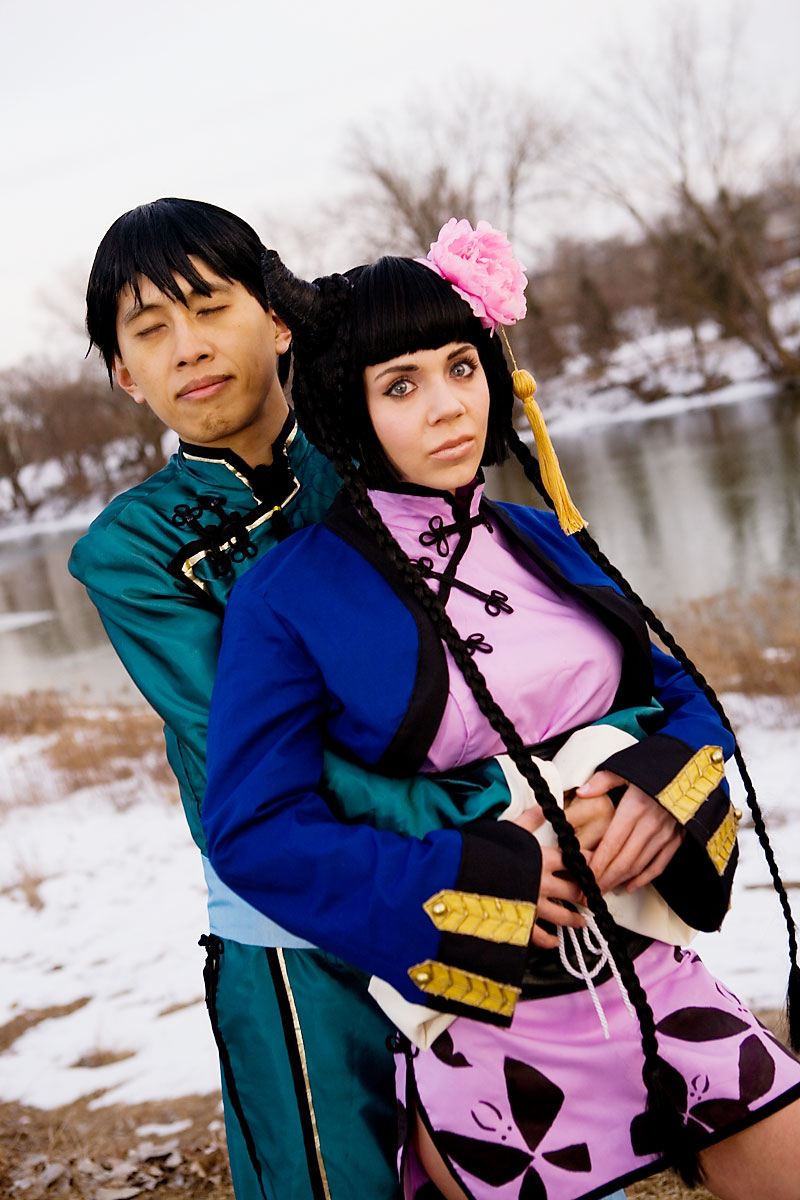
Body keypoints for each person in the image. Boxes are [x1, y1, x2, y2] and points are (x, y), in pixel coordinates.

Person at [202, 220, 800, 1200]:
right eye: (401, 385)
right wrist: (477, 877)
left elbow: (681, 692)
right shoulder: (289, 594)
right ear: (348, 409)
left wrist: (659, 791)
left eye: (460, 367)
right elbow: (253, 830)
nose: (449, 406)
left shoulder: (538, 534)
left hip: (656, 971)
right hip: (485, 1016)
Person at [70, 198, 525, 1200]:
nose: (189, 347)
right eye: (150, 330)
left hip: (483, 861)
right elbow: (256, 756)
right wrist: (488, 827)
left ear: (276, 319)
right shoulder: (131, 551)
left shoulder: (378, 447)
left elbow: (506, 631)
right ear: (125, 373)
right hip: (295, 917)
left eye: (210, 307)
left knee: (531, 1157)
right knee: (329, 1176)